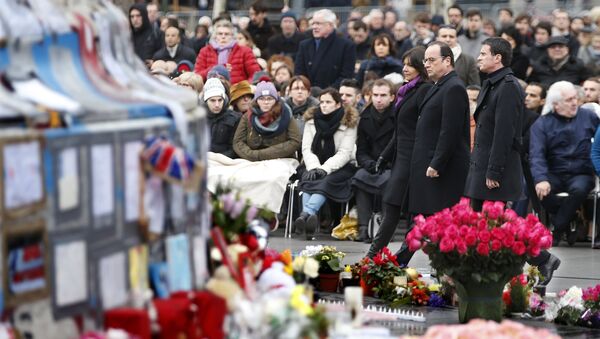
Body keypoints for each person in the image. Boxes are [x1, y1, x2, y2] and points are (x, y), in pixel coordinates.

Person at [394, 42, 470, 266]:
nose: (426, 64)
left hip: (441, 169)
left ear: (447, 61)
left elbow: (451, 130)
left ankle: (401, 260)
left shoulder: (454, 87)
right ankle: (402, 259)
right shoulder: (438, 85)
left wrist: (437, 163)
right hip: (428, 164)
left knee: (435, 220)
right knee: (426, 219)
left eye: (431, 60)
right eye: (425, 60)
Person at [366, 46, 433, 257]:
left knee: (403, 211)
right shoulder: (407, 90)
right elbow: (400, 131)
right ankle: (379, 257)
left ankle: (381, 257)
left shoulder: (424, 90)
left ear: (421, 67)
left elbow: (421, 129)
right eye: (404, 64)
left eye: (410, 65)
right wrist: (384, 156)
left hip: (413, 159)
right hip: (401, 157)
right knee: (392, 208)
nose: (405, 68)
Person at [530, 81, 599, 248]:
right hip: (554, 171)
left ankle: (558, 228)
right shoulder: (542, 123)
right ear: (555, 105)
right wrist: (540, 178)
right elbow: (536, 154)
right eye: (568, 100)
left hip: (581, 171)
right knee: (539, 189)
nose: (574, 102)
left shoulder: (588, 117)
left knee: (579, 189)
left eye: (575, 98)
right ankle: (570, 217)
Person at [464, 37, 524, 211]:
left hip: (494, 171)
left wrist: (494, 171)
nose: (478, 58)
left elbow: (504, 133)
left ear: (497, 58)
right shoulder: (491, 84)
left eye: (483, 54)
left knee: (490, 229)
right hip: (481, 165)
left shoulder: (508, 86)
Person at [294, 88, 359, 240]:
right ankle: (308, 218)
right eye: (322, 102)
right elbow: (307, 149)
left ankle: (305, 214)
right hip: (313, 163)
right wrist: (315, 168)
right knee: (309, 177)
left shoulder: (349, 123)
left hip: (341, 166)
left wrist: (324, 169)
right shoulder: (311, 121)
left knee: (325, 181)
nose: (323, 105)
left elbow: (345, 153)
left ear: (337, 105)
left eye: (328, 102)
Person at [352, 79, 396, 242]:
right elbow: (361, 150)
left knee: (390, 180)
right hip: (371, 164)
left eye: (383, 95)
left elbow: (399, 145)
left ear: (392, 97)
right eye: (375, 95)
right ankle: (363, 227)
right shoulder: (365, 117)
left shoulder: (397, 116)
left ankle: (386, 227)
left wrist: (384, 162)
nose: (378, 99)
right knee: (359, 178)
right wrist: (369, 164)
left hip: (391, 164)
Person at [233, 81, 301, 161]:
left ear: (275, 100)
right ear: (256, 100)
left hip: (282, 160)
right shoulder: (248, 116)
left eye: (270, 98)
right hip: (252, 160)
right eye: (261, 99)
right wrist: (251, 155)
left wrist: (261, 155)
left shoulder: (285, 115)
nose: (266, 102)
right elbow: (238, 142)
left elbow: (295, 141)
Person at [294, 9, 356, 89]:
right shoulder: (304, 45)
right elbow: (299, 73)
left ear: (330, 25)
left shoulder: (346, 46)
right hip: (307, 94)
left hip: (334, 95)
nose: (314, 27)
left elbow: (346, 76)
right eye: (313, 23)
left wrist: (327, 93)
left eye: (318, 23)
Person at [194, 20, 261, 84]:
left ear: (232, 36)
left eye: (227, 34)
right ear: (215, 36)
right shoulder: (205, 51)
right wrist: (214, 69)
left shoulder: (245, 51)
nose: (223, 36)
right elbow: (197, 77)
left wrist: (244, 88)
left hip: (237, 92)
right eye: (220, 34)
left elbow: (255, 74)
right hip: (211, 91)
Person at [204, 78, 242, 158]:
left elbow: (236, 147)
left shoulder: (235, 118)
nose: (217, 104)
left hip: (226, 161)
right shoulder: (198, 118)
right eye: (212, 101)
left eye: (220, 100)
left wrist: (217, 158)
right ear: (206, 101)